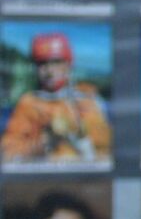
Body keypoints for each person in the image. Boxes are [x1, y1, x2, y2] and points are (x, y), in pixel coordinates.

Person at [1, 32, 112, 165]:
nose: (50, 71)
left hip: (85, 179)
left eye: (56, 62)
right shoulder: (29, 103)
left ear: (68, 64)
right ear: (35, 67)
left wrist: (81, 131)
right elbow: (7, 154)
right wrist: (44, 143)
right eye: (43, 64)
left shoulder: (87, 99)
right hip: (45, 179)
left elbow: (109, 151)